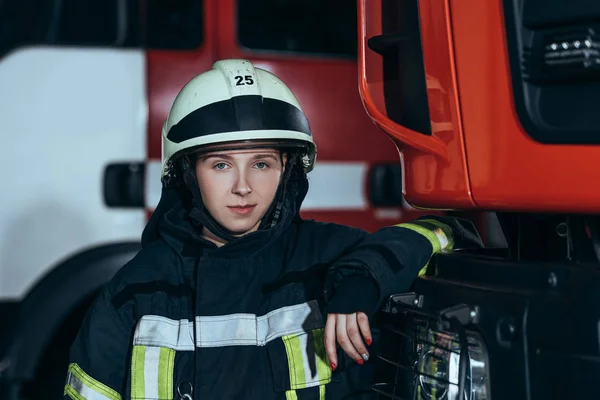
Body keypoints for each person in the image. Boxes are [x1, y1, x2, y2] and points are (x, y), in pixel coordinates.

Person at [63, 59, 483, 400]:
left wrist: (365, 278)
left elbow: (453, 232)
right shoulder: (133, 292)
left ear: (287, 171)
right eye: (221, 164)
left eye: (262, 164)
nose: (244, 186)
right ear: (188, 173)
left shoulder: (327, 259)